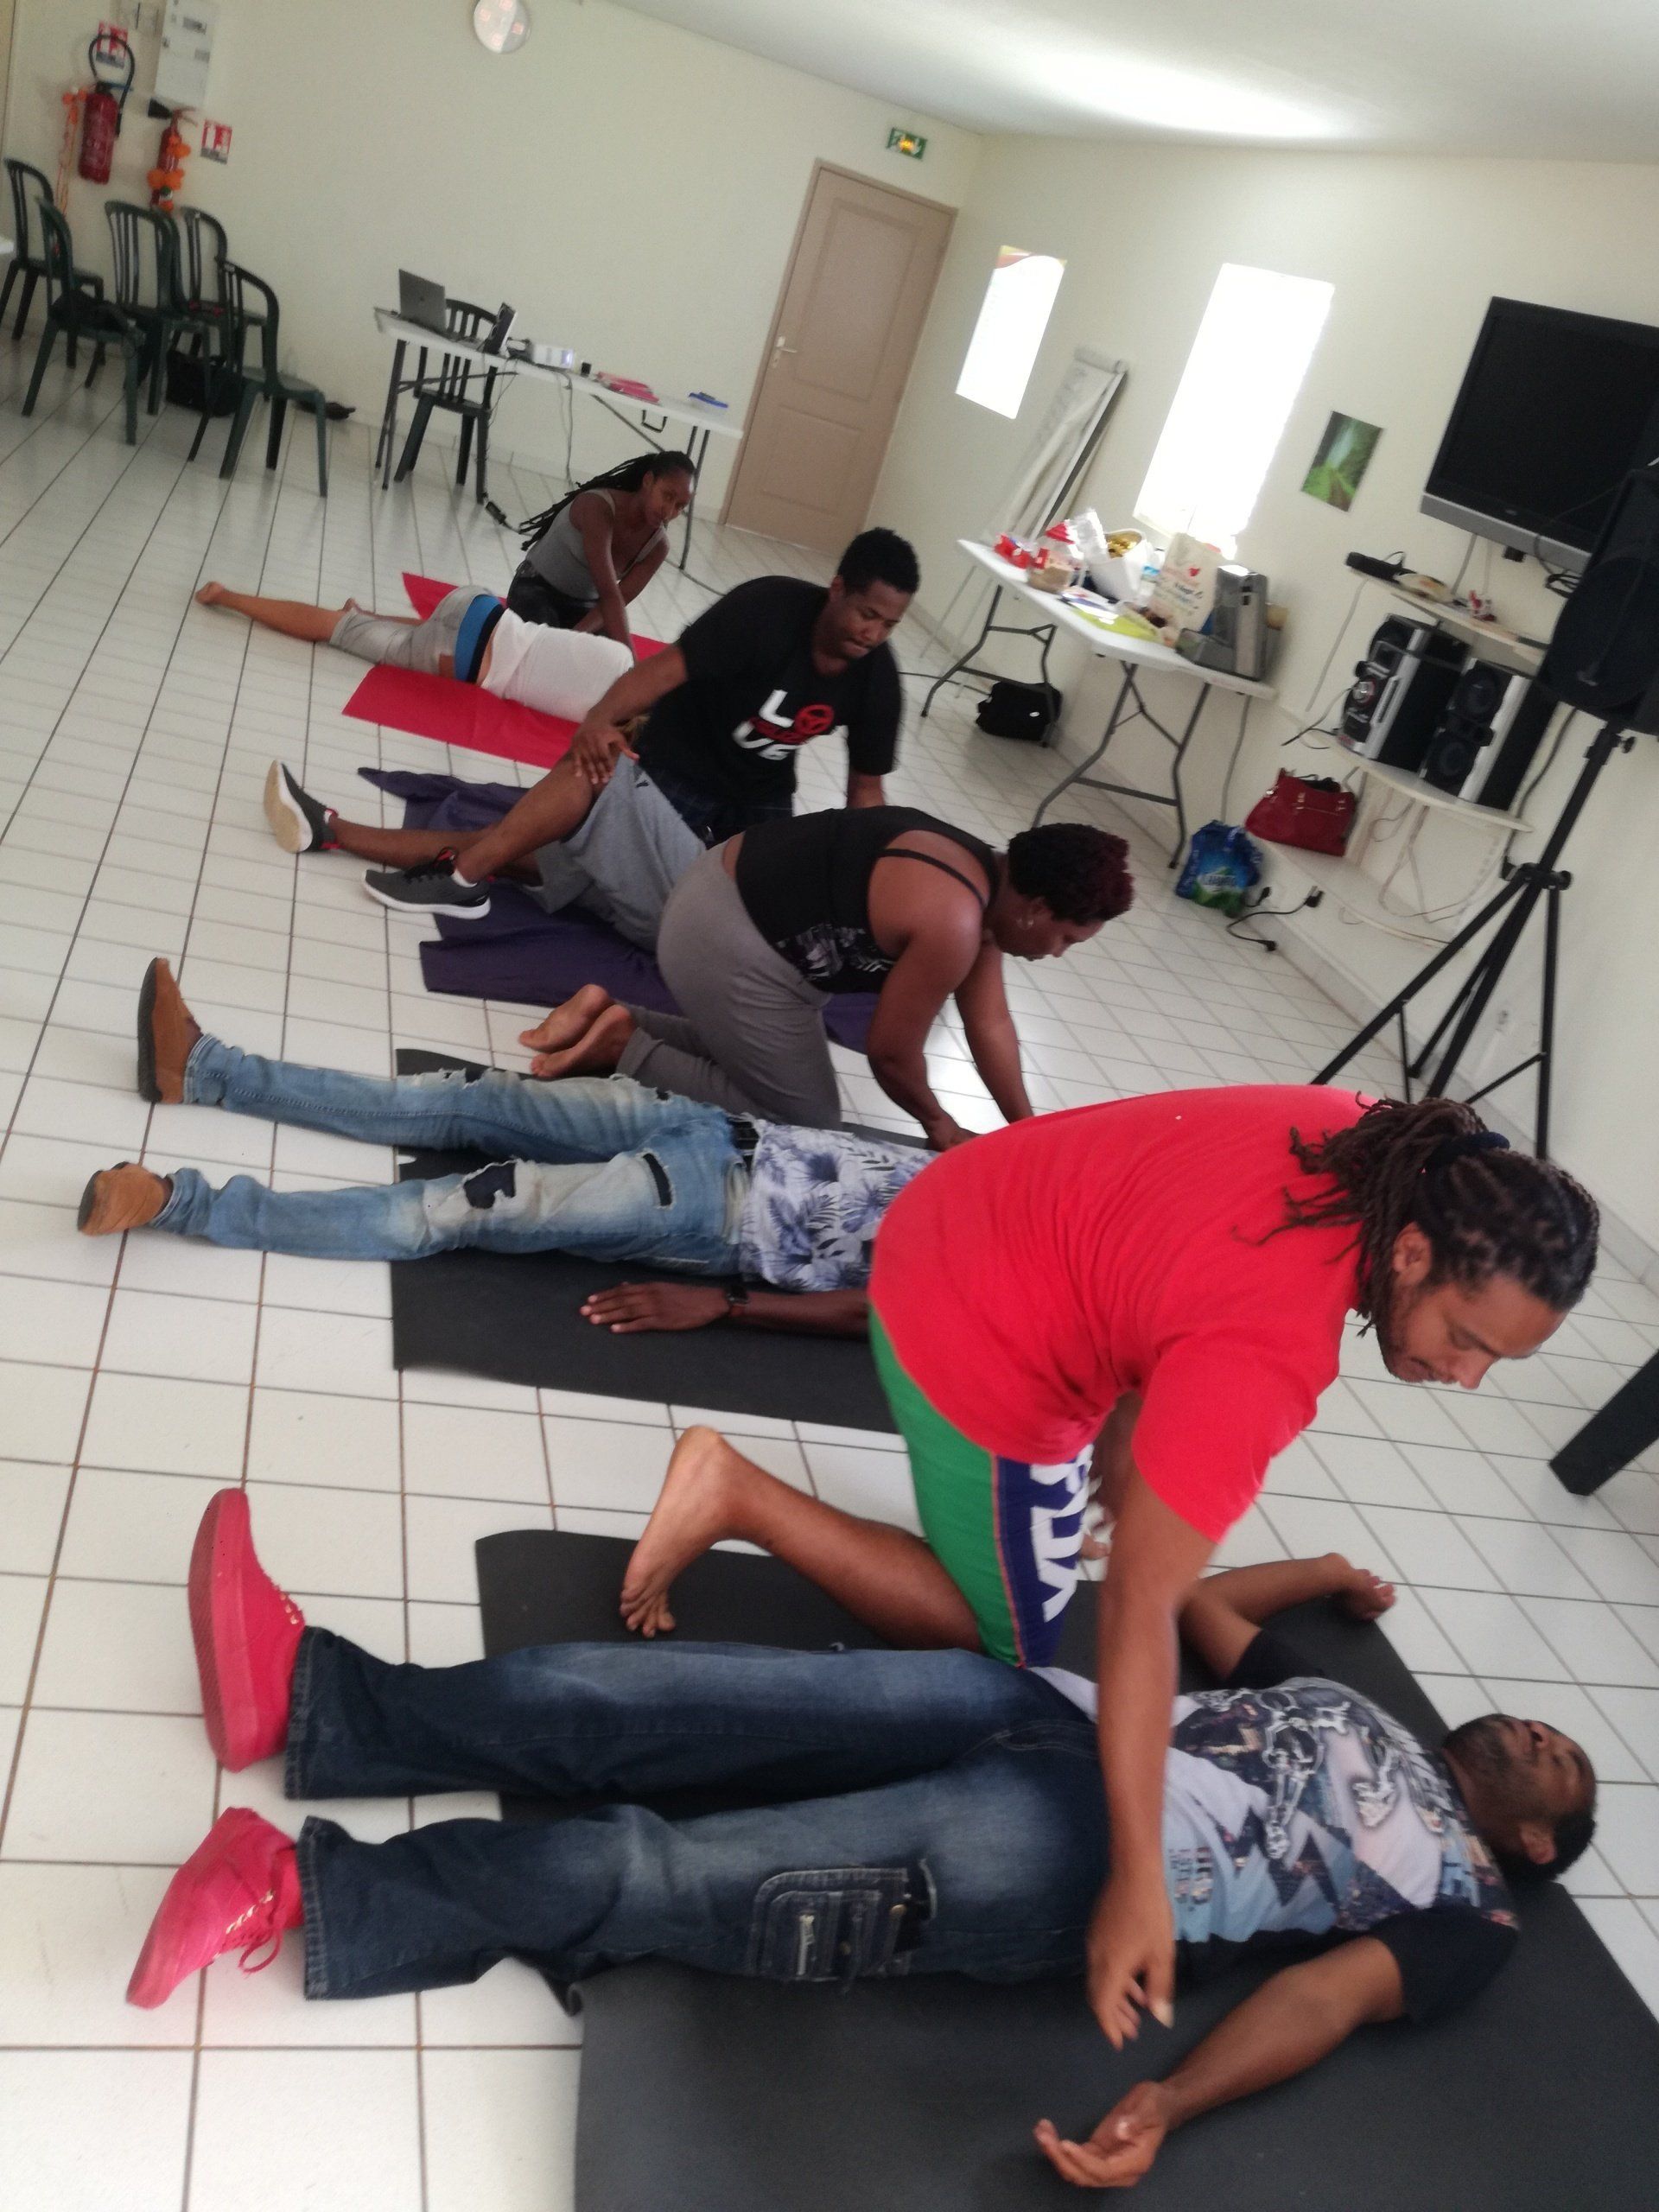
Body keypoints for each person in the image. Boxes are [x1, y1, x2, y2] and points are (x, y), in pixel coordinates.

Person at [127, 1493, 1596, 2199]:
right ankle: (316, 1698)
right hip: (1034, 1709)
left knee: (675, 1873)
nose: (1544, 1733)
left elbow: (1326, 1999)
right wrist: (1326, 1570)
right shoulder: (1353, 1705)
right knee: (663, 1699)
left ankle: (299, 1892)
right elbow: (1195, 1605)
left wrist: (1171, 2097)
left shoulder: (1469, 1908)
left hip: (1069, 1861)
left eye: (1563, 1766)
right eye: (1548, 1726)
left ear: (1534, 1843)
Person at [601, 1089, 1601, 2059]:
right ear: (1412, 1252)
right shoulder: (1273, 1351)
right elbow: (1142, 1605)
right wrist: (1136, 1878)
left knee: (1066, 1556)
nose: (1466, 1377)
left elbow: (1180, 1218)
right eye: (1465, 1339)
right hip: (970, 1299)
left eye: (1497, 1362)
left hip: (998, 1205)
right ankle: (738, 1492)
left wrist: (1130, 1419)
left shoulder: (1379, 1146)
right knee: (1004, 1647)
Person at [81, 961, 929, 1337]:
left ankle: (178, 1204)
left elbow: (880, 1319)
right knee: (467, 1098)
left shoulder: (1006, 1282)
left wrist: (727, 1304)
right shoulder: (998, 1169)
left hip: (719, 1215)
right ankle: (204, 1069)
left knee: (470, 1203)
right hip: (717, 1128)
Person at [276, 528, 919, 922]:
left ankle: (391, 849)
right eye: (867, 614)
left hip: (758, 798)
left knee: (769, 910)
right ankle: (348, 836)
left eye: (889, 625)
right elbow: (661, 671)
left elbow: (866, 796)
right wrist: (598, 721)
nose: (873, 634)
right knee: (534, 847)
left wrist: (878, 878)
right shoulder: (766, 611)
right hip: (681, 762)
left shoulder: (877, 679)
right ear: (837, 588)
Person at [508, 809, 1135, 1139]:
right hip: (725, 937)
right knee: (805, 1122)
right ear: (1036, 910)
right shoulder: (955, 922)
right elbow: (892, 1054)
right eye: (1067, 938)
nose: (1059, 953)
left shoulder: (984, 882)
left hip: (720, 902)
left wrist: (1027, 1132)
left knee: (778, 1069)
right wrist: (938, 1124)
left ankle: (607, 1016)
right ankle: (623, 1047)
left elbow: (990, 1025)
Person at [505, 450, 696, 641]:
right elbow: (609, 593)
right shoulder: (597, 506)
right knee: (544, 645)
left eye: (680, 506)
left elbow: (619, 599)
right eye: (667, 496)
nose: (669, 512)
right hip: (537, 589)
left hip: (586, 607)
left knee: (605, 653)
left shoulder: (658, 546)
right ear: (648, 481)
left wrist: (573, 640)